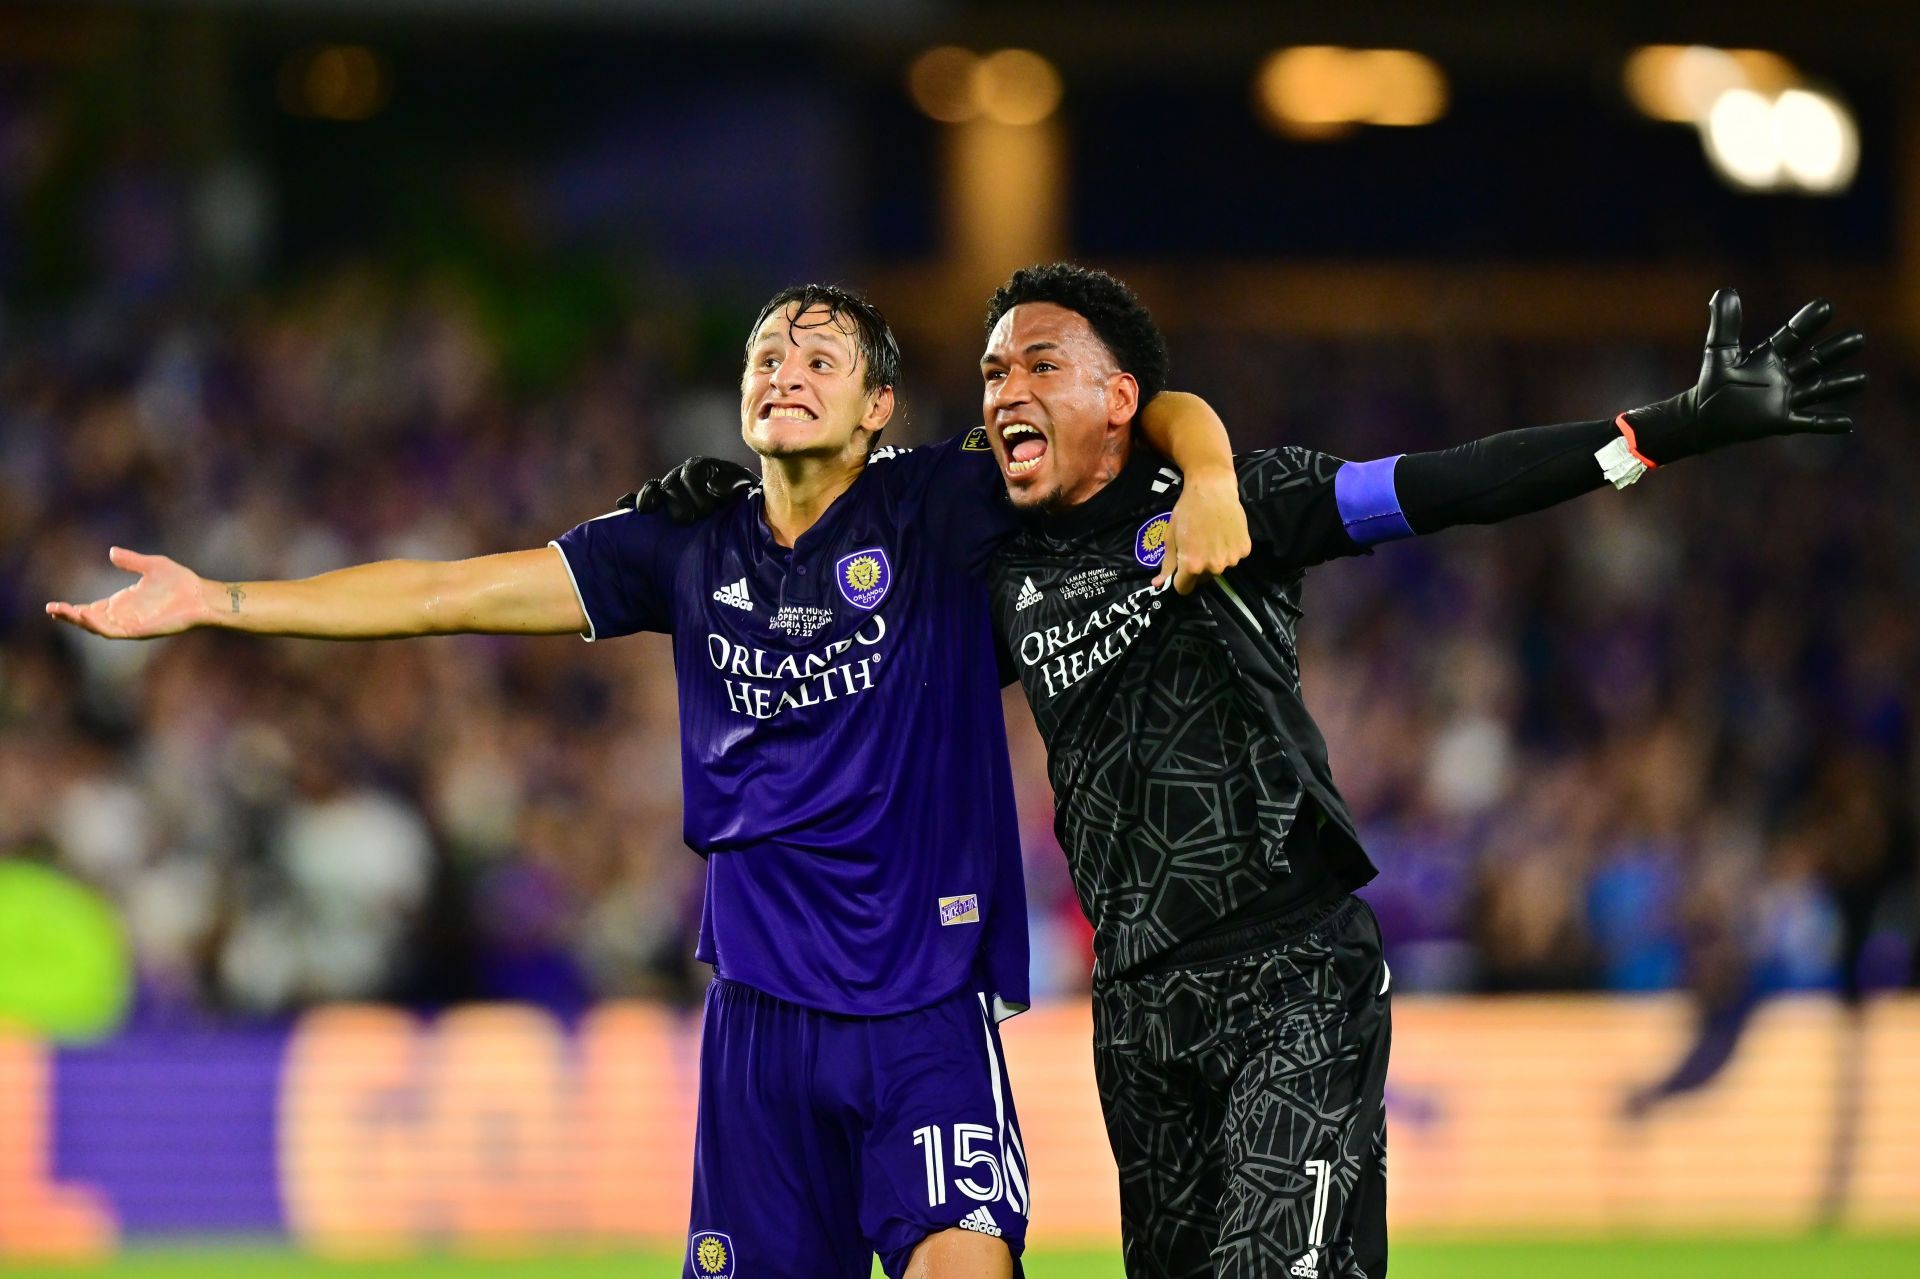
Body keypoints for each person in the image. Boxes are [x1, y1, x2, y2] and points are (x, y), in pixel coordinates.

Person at [646, 266, 1867, 1278]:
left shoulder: (1238, 502)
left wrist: (1666, 433)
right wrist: (728, 519)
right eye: (992, 372)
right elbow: (832, 611)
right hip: (1137, 1010)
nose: (1005, 390)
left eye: (1039, 366)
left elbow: (1451, 484)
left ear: (1122, 398)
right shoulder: (993, 562)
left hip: (1290, 969)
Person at [44, 282, 1247, 1279]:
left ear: (880, 405)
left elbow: (1155, 414)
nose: (783, 367)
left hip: (922, 1005)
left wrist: (1213, 483)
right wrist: (219, 602)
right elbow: (441, 592)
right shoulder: (676, 545)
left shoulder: (937, 503)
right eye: (765, 352)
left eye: (819, 355)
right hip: (758, 1021)